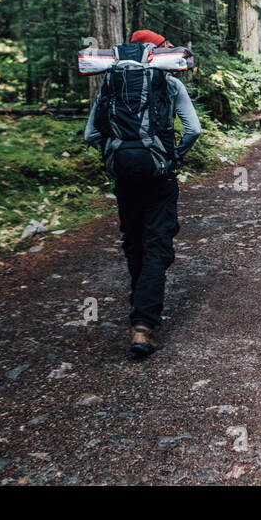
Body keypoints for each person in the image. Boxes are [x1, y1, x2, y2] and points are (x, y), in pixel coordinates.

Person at [84, 29, 201, 356]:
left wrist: (114, 156)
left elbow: (90, 133)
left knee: (133, 240)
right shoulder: (169, 83)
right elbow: (194, 129)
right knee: (157, 243)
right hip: (158, 174)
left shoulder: (110, 82)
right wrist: (173, 154)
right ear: (153, 49)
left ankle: (140, 312)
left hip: (123, 175)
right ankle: (144, 325)